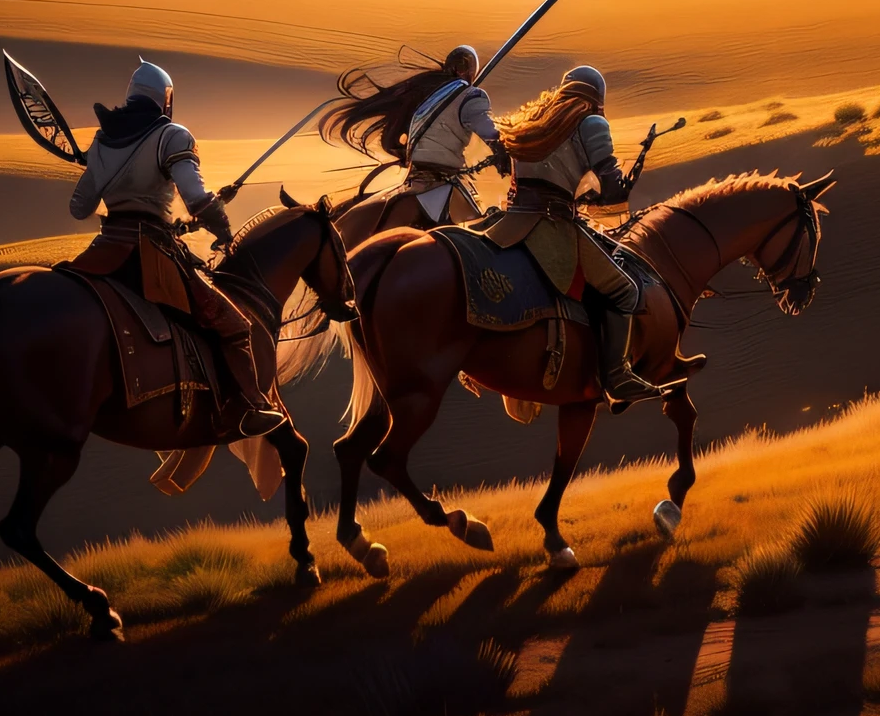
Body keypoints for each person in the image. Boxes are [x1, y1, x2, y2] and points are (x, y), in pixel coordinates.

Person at [68, 58, 284, 438]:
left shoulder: (103, 140)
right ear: (166, 100)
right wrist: (223, 227)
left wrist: (96, 165)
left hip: (104, 250)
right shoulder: (173, 136)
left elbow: (79, 208)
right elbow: (197, 199)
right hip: (149, 253)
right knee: (233, 324)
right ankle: (253, 405)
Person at [488, 65, 664, 408]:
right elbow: (612, 188)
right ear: (597, 97)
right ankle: (618, 375)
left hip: (511, 221)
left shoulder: (535, 117)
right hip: (551, 225)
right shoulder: (591, 121)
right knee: (625, 290)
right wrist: (609, 192)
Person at [321, 45, 509, 230]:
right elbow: (489, 132)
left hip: (414, 178)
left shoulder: (429, 94)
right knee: (476, 233)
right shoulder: (472, 96)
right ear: (470, 71)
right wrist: (505, 148)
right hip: (440, 185)